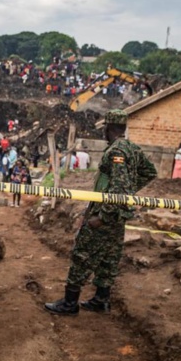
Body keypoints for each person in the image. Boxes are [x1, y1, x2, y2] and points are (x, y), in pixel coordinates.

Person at [44, 110, 157, 316]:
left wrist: (102, 217)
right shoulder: (131, 147)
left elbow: (119, 189)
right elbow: (150, 172)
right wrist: (131, 189)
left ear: (108, 128)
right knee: (109, 257)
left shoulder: (116, 152)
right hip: (119, 215)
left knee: (82, 255)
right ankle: (101, 299)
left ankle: (69, 304)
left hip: (105, 214)